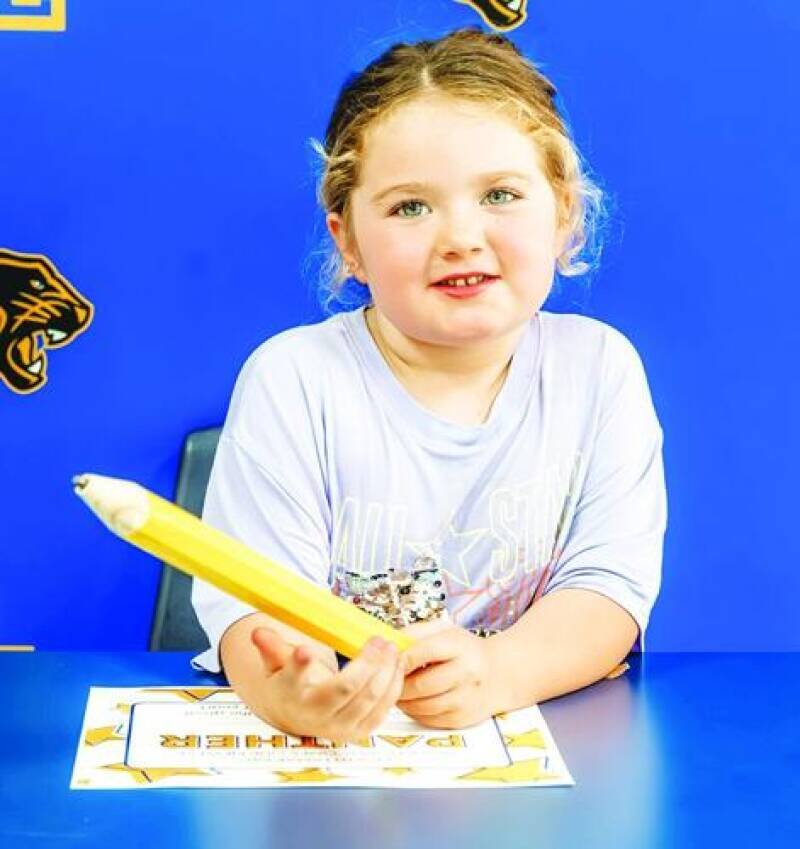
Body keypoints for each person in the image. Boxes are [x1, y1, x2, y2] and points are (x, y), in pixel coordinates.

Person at [191, 27, 667, 743]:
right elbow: (252, 608)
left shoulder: (600, 370)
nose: (460, 237)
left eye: (501, 194)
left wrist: (499, 670)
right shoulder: (294, 378)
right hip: (342, 766)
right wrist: (297, 693)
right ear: (347, 240)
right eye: (411, 207)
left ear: (564, 214)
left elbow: (608, 592)